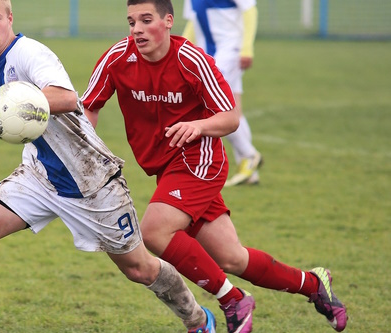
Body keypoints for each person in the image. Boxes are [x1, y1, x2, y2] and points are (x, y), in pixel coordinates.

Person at [81, 0, 348, 332]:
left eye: (145, 20)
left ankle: (232, 298)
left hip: (199, 161)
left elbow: (231, 117)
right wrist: (84, 148)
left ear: (167, 21)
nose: (136, 29)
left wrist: (199, 126)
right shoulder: (117, 58)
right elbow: (88, 107)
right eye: (131, 21)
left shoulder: (191, 60)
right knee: (231, 258)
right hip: (165, 168)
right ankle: (313, 284)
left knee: (154, 231)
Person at [0, 0, 217, 332]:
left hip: (91, 183)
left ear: (10, 18)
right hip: (42, 175)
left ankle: (197, 319)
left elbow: (66, 98)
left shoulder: (29, 53)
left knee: (139, 269)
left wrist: (4, 103)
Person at [182, 0, 262, 186]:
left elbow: (250, 11)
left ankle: (249, 155)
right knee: (234, 109)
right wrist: (181, 48)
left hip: (230, 52)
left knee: (212, 106)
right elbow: (194, 22)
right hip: (210, 56)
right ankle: (249, 171)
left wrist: (246, 48)